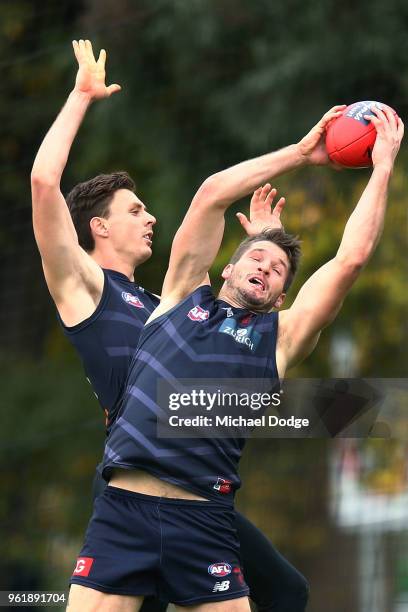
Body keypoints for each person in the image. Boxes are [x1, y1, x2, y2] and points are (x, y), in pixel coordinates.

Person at [68, 94, 403, 609]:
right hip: (124, 511)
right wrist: (301, 152)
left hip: (205, 524)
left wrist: (381, 167)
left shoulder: (282, 339)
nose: (266, 267)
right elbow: (211, 195)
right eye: (258, 256)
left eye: (277, 271)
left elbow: (350, 259)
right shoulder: (177, 296)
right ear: (226, 267)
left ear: (281, 296)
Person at [31, 40, 308, 611]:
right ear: (99, 229)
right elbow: (42, 183)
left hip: (199, 496)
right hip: (134, 488)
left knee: (286, 592)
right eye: (134, 210)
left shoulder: (167, 302)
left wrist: (262, 241)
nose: (151, 215)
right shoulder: (86, 288)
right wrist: (81, 97)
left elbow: (245, 313)